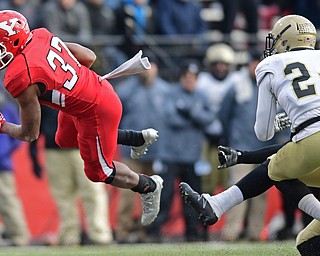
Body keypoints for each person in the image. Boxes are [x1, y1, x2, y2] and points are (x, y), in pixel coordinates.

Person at [0, 10, 163, 230]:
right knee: (64, 140)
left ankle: (148, 186)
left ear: (14, 39)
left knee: (98, 172)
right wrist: (74, 84)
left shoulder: (20, 76)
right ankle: (135, 138)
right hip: (96, 88)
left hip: (96, 110)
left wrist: (3, 126)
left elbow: (30, 133)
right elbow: (89, 57)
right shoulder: (41, 36)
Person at [179, 14, 320, 256]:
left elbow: (264, 133)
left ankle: (216, 204)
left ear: (285, 40)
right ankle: (215, 204)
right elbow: (292, 147)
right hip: (309, 141)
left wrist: (278, 122)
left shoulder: (271, 65)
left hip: (311, 139)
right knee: (307, 242)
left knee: (277, 169)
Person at [146, 61, 214, 242]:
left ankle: (193, 233)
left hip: (192, 156)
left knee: (192, 197)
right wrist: (195, 116)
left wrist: (188, 111)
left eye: (193, 77)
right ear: (181, 77)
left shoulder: (201, 95)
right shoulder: (170, 93)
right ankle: (155, 232)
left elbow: (209, 119)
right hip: (171, 155)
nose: (189, 80)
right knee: (165, 195)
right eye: (187, 76)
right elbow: (171, 118)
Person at [30, 105, 113, 246]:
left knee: (92, 191)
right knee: (63, 195)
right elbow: (35, 120)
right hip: (54, 149)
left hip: (82, 146)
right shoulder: (44, 89)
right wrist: (33, 154)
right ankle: (70, 236)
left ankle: (99, 235)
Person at [115, 61, 169, 243]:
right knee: (127, 192)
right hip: (131, 149)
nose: (146, 71)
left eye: (150, 66)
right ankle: (123, 232)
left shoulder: (165, 90)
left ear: (156, 68)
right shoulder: (125, 90)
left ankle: (147, 231)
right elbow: (115, 117)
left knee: (155, 193)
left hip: (157, 151)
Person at [196, 43, 237, 196]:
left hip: (231, 138)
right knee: (206, 179)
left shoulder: (236, 81)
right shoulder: (202, 81)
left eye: (223, 64)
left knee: (231, 182)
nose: (220, 68)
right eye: (216, 64)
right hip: (206, 137)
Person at [0, 89, 30, 246]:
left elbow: (19, 135)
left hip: (2, 164)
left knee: (8, 200)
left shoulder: (6, 108)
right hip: (3, 161)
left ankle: (19, 236)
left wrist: (3, 153)